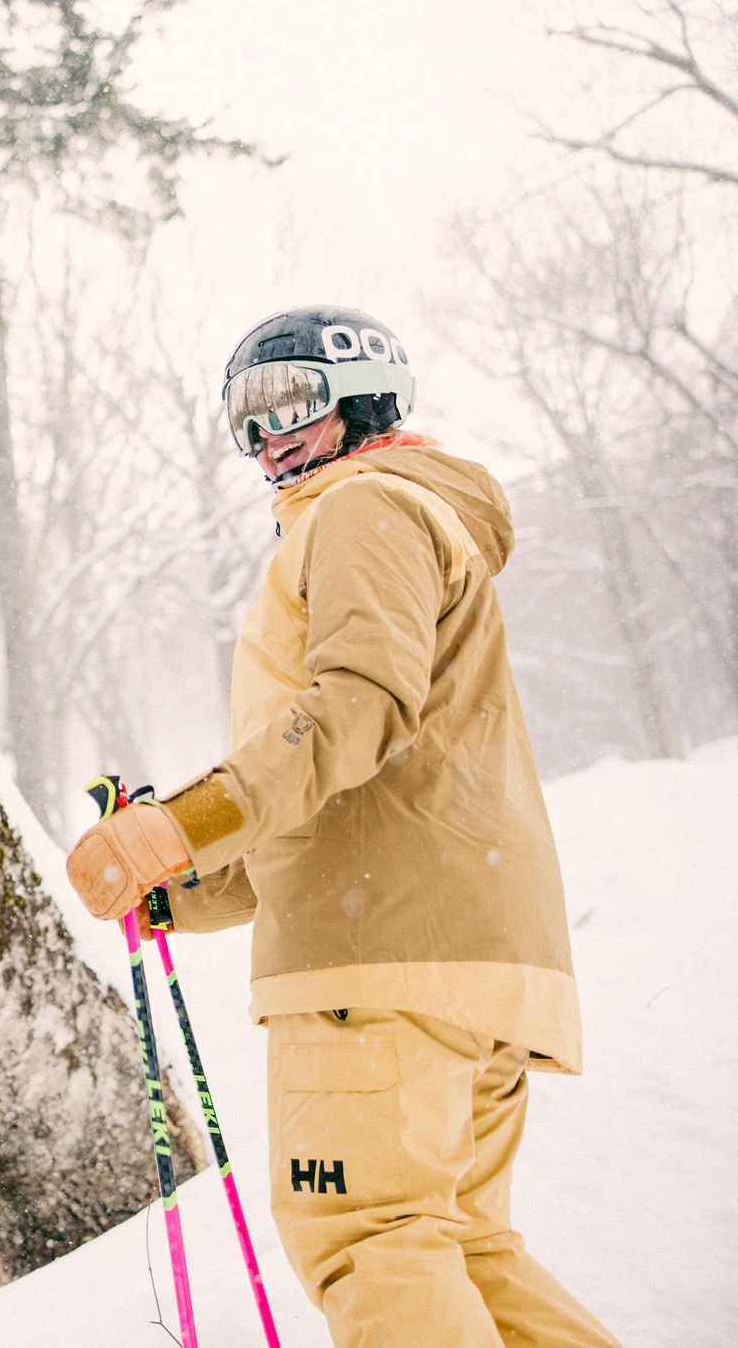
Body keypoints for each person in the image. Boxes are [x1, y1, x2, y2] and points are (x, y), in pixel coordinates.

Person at [63, 307, 617, 1347]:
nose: (269, 434)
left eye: (293, 400)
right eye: (246, 416)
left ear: (367, 392)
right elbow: (342, 794)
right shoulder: (411, 516)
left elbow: (350, 714)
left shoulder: (362, 510)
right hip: (469, 962)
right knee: (455, 1247)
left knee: (367, 1237)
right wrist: (177, 884)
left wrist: (175, 828)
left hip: (381, 968)